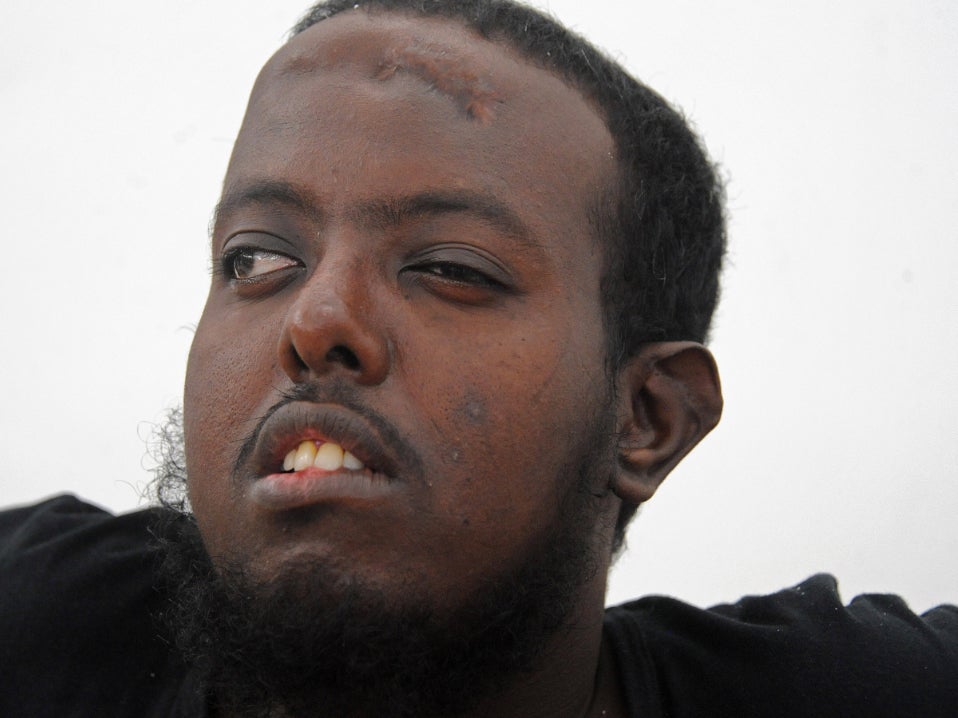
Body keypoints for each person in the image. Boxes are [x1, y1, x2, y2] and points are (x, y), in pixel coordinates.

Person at [1, 1, 955, 717]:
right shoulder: (37, 626)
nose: (316, 316)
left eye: (452, 268)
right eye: (255, 258)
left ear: (649, 419)